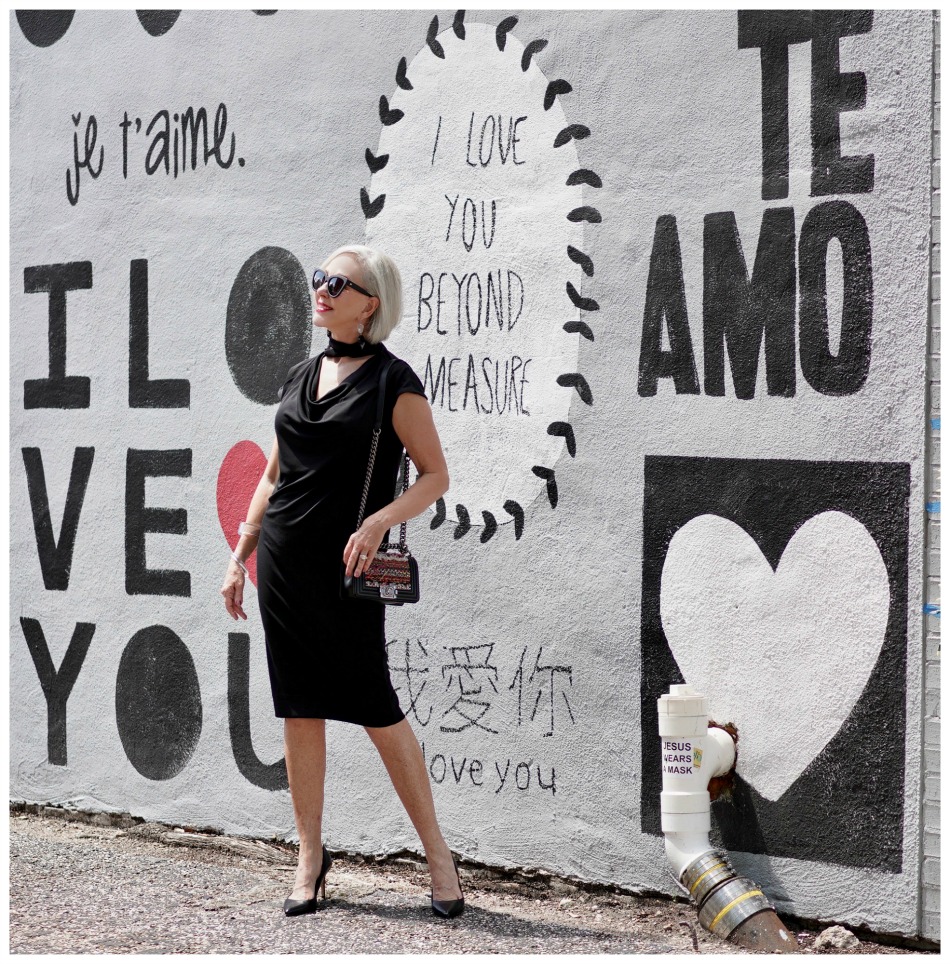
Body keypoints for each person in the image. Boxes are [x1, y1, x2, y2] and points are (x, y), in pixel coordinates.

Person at [220, 245, 463, 919]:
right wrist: (240, 555)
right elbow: (274, 476)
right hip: (287, 568)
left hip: (350, 573)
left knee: (378, 710)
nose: (321, 290)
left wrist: (382, 519)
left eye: (337, 283)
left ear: (370, 302)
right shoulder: (302, 375)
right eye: (318, 280)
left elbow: (436, 475)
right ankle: (309, 856)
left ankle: (438, 856)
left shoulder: (395, 384)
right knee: (299, 709)